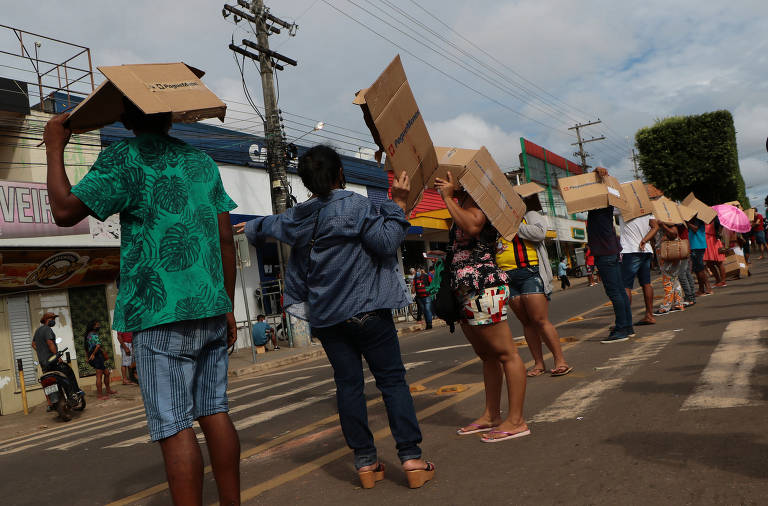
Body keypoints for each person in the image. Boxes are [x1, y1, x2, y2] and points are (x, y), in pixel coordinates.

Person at [44, 102, 241, 505]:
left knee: (174, 427)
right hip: (210, 307)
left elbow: (64, 211)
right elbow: (225, 239)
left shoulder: (123, 158)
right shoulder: (202, 162)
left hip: (159, 312)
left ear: (127, 119)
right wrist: (228, 305)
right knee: (214, 411)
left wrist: (53, 147)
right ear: (170, 116)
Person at [236, 145, 433, 489]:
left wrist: (246, 229)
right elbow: (387, 243)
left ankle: (365, 464)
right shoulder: (357, 205)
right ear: (340, 173)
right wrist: (399, 203)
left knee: (349, 387)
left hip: (328, 319)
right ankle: (412, 459)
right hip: (370, 310)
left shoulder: (297, 216)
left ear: (308, 181)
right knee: (391, 382)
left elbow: (267, 225)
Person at [434, 171, 529, 443]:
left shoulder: (479, 201)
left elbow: (474, 227)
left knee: (506, 354)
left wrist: (447, 197)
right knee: (487, 356)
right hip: (465, 289)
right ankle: (491, 415)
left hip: (483, 286)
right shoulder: (461, 202)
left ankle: (517, 419)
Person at [497, 193, 572, 378]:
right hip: (508, 277)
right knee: (527, 323)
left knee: (539, 320)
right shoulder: (497, 220)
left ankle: (560, 360)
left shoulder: (531, 215)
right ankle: (539, 363)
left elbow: (539, 234)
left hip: (531, 273)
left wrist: (514, 224)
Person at [588, 168, 633, 342]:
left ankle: (622, 329)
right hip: (610, 252)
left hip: (605, 254)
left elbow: (602, 185)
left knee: (615, 292)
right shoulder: (606, 205)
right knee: (619, 291)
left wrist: (599, 176)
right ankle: (627, 327)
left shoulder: (600, 205)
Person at [31, 312, 83, 398]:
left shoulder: (38, 330)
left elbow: (33, 344)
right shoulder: (47, 329)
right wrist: (57, 356)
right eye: (53, 319)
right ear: (47, 320)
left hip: (43, 363)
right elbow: (50, 343)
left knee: (49, 382)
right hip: (52, 361)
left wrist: (41, 351)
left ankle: (51, 404)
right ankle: (75, 393)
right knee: (68, 372)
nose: (54, 321)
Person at [620, 213, 658, 326]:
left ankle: (625, 321)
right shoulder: (646, 207)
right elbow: (655, 226)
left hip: (630, 250)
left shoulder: (622, 207)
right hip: (645, 250)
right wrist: (644, 240)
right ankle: (650, 315)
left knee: (625, 286)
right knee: (646, 283)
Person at [653, 222, 685, 315]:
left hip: (668, 252)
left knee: (668, 279)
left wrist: (661, 224)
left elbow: (674, 234)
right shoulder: (668, 219)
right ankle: (679, 303)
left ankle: (666, 306)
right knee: (674, 279)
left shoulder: (666, 220)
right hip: (669, 251)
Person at [84, 320, 116, 400]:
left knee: (107, 373)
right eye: (97, 325)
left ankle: (108, 390)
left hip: (95, 356)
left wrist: (88, 357)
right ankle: (100, 395)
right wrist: (94, 354)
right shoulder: (94, 334)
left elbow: (86, 348)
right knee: (99, 376)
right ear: (93, 326)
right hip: (97, 356)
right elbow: (98, 346)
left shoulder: (88, 335)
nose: (99, 326)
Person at [687, 217, 711, 296]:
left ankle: (708, 288)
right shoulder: (693, 219)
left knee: (700, 269)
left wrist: (687, 223)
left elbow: (695, 229)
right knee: (697, 270)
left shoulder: (698, 219)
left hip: (698, 246)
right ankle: (701, 289)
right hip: (694, 246)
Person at [676, 224, 696, 306]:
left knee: (681, 274)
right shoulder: (681, 220)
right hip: (685, 247)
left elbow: (674, 233)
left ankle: (689, 297)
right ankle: (691, 297)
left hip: (683, 248)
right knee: (687, 273)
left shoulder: (679, 222)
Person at [704, 218, 727, 287]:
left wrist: (719, 233)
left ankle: (723, 281)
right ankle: (718, 280)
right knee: (709, 263)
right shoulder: (702, 219)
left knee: (719, 262)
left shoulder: (714, 219)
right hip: (706, 241)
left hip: (713, 240)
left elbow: (721, 225)